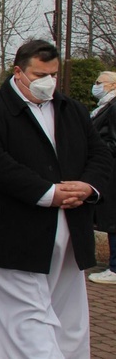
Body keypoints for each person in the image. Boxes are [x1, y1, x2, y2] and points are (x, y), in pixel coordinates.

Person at [0, 40, 111, 358]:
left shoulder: (72, 110)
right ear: (19, 72)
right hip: (13, 239)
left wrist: (87, 187)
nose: (49, 82)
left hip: (70, 235)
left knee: (70, 325)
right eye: (40, 74)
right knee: (29, 328)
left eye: (54, 74)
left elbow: (100, 154)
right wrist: (49, 193)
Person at [88, 71, 116, 284]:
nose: (95, 86)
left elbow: (112, 141)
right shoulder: (105, 107)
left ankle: (114, 268)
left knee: (113, 220)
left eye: (100, 83)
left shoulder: (113, 107)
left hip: (112, 172)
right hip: (108, 171)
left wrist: (93, 147)